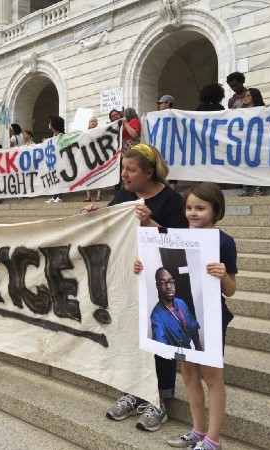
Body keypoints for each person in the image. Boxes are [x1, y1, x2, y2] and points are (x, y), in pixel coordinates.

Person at [84, 143, 188, 432]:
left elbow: (181, 242)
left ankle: (161, 400)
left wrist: (150, 222)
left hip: (160, 282)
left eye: (130, 170)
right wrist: (95, 213)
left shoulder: (171, 201)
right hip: (127, 277)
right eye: (122, 169)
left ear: (149, 172)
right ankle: (134, 389)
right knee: (131, 334)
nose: (124, 175)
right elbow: (111, 224)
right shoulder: (125, 195)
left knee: (161, 337)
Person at [166, 182, 236, 450]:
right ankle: (197, 430)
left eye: (200, 208)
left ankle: (213, 439)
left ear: (216, 210)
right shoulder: (177, 236)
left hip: (212, 316)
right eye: (189, 207)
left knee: (212, 376)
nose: (193, 213)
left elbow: (231, 290)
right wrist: (142, 266)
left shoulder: (224, 242)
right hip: (181, 317)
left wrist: (222, 277)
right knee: (188, 373)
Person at [149, 268, 202, 349]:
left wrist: (199, 349)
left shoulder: (181, 302)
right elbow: (161, 347)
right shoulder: (156, 316)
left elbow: (193, 328)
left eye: (170, 281)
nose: (169, 286)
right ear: (157, 286)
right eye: (163, 282)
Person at [238, 88, 266, 197]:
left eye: (248, 96)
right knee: (244, 165)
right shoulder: (242, 110)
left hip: (258, 142)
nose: (246, 98)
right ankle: (246, 189)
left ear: (254, 96)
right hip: (245, 142)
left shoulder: (262, 109)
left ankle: (259, 189)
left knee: (258, 165)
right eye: (245, 96)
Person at [156, 96, 178, 190]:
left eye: (161, 103)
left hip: (173, 144)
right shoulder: (157, 115)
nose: (159, 105)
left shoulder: (176, 114)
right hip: (162, 144)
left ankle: (172, 188)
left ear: (168, 103)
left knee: (174, 165)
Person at [46, 115, 66, 203]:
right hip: (53, 160)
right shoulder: (52, 135)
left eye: (50, 122)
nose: (49, 124)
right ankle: (54, 196)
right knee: (54, 178)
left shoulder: (62, 134)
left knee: (60, 177)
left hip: (60, 159)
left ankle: (59, 196)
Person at [85, 117, 102, 202]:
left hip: (98, 156)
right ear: (89, 123)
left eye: (95, 121)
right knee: (88, 176)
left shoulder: (100, 131)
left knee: (99, 175)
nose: (93, 122)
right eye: (91, 121)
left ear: (97, 123)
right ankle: (88, 196)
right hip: (88, 156)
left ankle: (98, 196)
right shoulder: (85, 133)